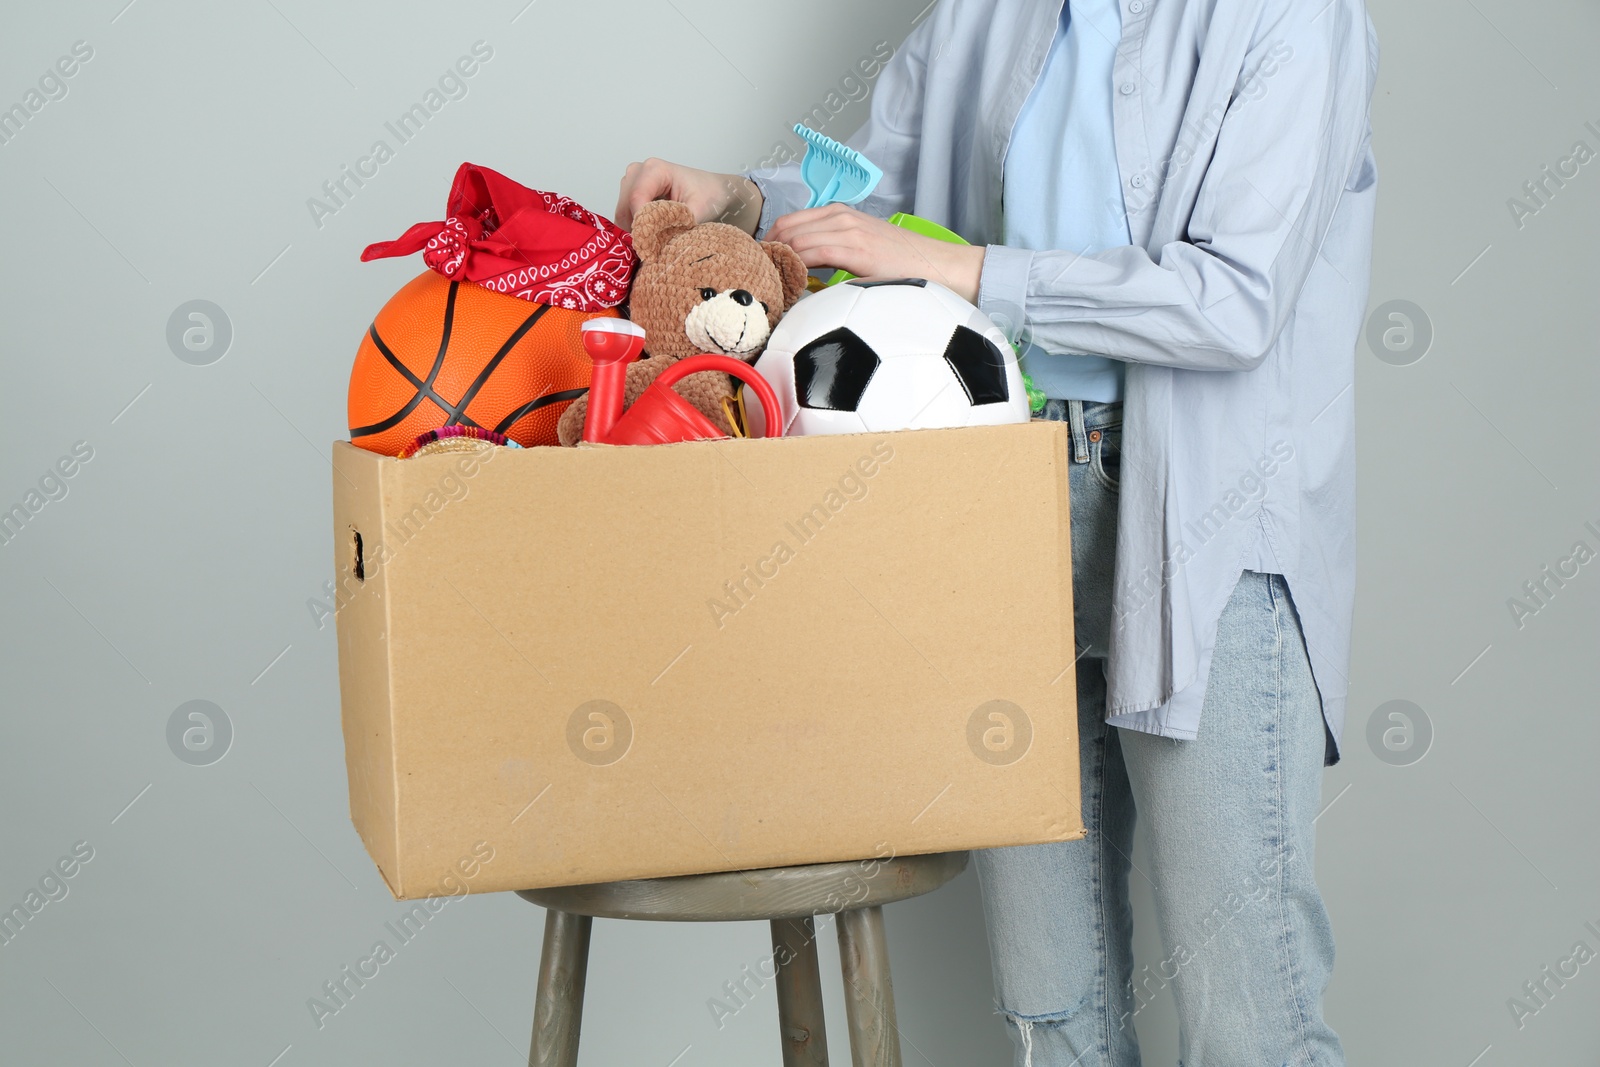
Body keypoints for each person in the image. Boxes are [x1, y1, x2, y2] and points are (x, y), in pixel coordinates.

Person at [616, 0, 1378, 1062]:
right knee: (1047, 1006)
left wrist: (970, 271)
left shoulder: (1290, 19)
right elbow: (871, 196)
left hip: (1207, 517)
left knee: (1249, 1010)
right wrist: (737, 201)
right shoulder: (988, 13)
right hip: (992, 502)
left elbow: (1233, 302)